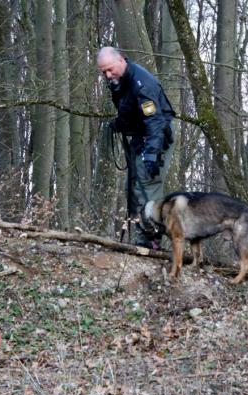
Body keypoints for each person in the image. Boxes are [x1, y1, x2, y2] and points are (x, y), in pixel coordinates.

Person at [97, 46, 175, 249]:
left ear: (121, 60)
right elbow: (128, 107)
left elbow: (155, 122)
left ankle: (153, 239)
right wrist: (120, 123)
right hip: (140, 138)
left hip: (156, 138)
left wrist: (152, 154)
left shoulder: (142, 84)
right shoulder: (118, 81)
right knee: (131, 187)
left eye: (110, 69)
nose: (107, 75)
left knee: (146, 186)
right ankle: (142, 237)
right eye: (103, 71)